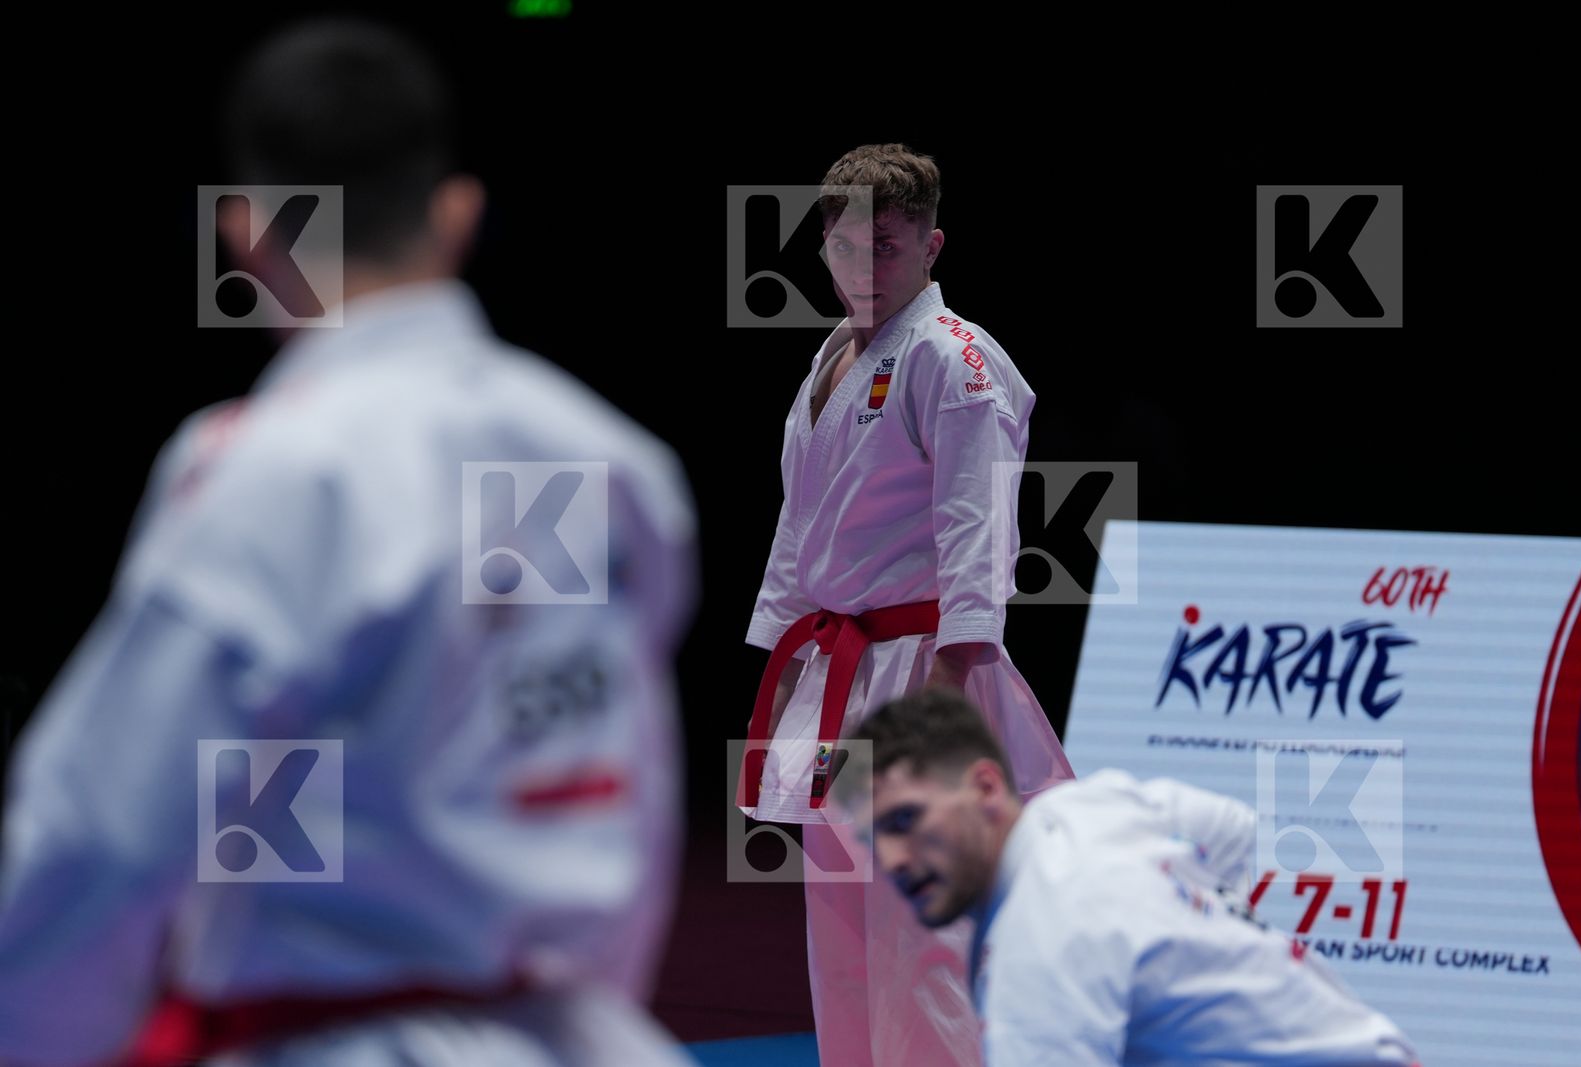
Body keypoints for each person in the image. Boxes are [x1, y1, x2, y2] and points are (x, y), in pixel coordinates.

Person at [0, 19, 697, 1067]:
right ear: (456, 213)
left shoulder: (277, 470)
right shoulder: (609, 458)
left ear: (246, 237)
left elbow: (104, 831)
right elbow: (609, 781)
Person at [737, 142, 1073, 1065]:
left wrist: (956, 673)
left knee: (922, 936)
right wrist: (784, 640)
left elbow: (979, 527)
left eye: (885, 246)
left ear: (931, 245)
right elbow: (803, 517)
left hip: (924, 668)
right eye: (845, 248)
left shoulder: (955, 358)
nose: (863, 268)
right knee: (844, 925)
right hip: (843, 674)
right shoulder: (834, 353)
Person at [849, 689, 1423, 1066]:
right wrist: (1204, 929)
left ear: (985, 787)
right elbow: (1231, 828)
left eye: (908, 819)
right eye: (876, 839)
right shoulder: (1089, 806)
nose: (894, 860)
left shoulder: (1042, 947)